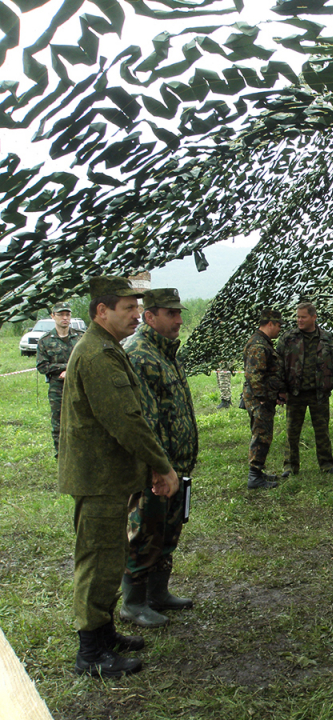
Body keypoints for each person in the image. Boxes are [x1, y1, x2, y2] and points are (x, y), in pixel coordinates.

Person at [58, 276, 179, 677]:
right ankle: (90, 652)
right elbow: (126, 421)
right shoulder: (96, 354)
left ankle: (104, 634)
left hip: (108, 476)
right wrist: (162, 465)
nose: (134, 315)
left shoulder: (106, 347)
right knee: (96, 563)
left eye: (135, 307)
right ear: (101, 311)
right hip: (99, 479)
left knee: (109, 560)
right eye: (127, 308)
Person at [118, 288, 199, 629]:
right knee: (146, 532)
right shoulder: (139, 354)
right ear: (150, 317)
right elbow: (144, 421)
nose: (179, 319)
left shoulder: (165, 352)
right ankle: (133, 603)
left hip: (176, 466)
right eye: (171, 313)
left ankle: (158, 593)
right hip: (155, 469)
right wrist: (157, 467)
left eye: (179, 313)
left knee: (168, 530)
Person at [275, 302, 333, 476]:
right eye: (298, 317)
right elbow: (277, 364)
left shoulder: (328, 339)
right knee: (292, 432)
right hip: (295, 393)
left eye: (303, 317)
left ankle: (327, 465)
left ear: (314, 317)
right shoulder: (288, 338)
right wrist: (281, 389)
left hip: (319, 394)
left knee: (322, 432)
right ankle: (290, 467)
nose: (299, 320)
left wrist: (330, 381)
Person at [242, 309, 287, 489]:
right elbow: (255, 375)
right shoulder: (259, 346)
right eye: (278, 325)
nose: (279, 330)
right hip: (259, 400)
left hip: (264, 397)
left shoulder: (263, 343)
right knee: (261, 436)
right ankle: (254, 476)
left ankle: (258, 472)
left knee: (263, 435)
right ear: (270, 324)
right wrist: (261, 398)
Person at [35, 302, 83, 456]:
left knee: (81, 420)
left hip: (80, 385)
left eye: (67, 314)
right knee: (59, 422)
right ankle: (61, 455)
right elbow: (42, 366)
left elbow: (87, 360)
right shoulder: (45, 340)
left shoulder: (81, 337)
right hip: (58, 387)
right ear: (53, 316)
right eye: (61, 314)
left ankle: (80, 454)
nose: (64, 318)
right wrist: (65, 367)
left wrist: (70, 369)